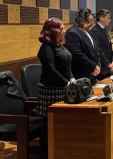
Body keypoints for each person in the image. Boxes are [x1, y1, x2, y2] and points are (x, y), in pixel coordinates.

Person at [36, 18, 74, 159]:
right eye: (62, 28)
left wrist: (72, 80)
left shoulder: (60, 46)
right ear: (53, 31)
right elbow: (51, 70)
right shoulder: (46, 48)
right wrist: (67, 83)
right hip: (51, 93)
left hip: (63, 89)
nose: (64, 31)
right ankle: (47, 154)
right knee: (50, 127)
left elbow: (67, 66)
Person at [65, 8, 100, 84]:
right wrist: (93, 67)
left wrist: (98, 65)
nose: (92, 24)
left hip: (92, 74)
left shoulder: (88, 31)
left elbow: (96, 51)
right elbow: (77, 54)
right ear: (81, 21)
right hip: (81, 75)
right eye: (90, 22)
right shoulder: (72, 33)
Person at [89, 9, 113, 79]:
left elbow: (109, 47)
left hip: (108, 66)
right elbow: (98, 49)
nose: (110, 20)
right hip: (102, 67)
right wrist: (107, 63)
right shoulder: (94, 31)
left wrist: (112, 60)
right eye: (108, 18)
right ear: (101, 18)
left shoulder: (104, 29)